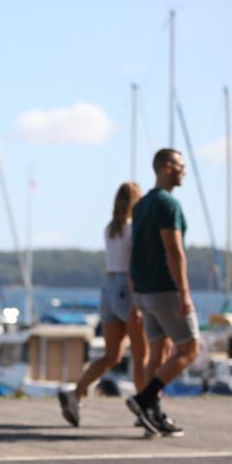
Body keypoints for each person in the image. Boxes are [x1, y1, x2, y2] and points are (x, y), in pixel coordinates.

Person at [58, 182, 148, 427]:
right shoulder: (133, 229)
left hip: (108, 288)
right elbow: (134, 267)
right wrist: (137, 303)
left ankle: (76, 393)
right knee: (141, 355)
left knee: (112, 355)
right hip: (126, 288)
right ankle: (145, 407)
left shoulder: (111, 229)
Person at [125, 148, 200, 437]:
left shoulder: (141, 205)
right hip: (165, 290)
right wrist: (184, 292)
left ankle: (150, 414)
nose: (184, 171)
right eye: (181, 165)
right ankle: (144, 399)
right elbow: (174, 251)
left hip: (144, 291)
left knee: (157, 352)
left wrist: (135, 294)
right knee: (190, 349)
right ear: (168, 167)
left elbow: (135, 251)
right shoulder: (168, 204)